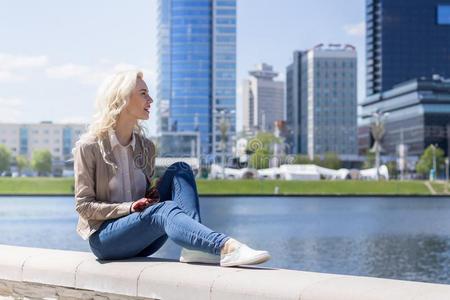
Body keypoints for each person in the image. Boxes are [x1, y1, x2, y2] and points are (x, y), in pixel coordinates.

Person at [73, 70, 271, 267]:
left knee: (181, 169)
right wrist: (130, 207)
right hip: (106, 241)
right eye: (143, 94)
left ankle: (194, 247)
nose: (150, 99)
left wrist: (150, 194)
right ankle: (225, 246)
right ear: (122, 98)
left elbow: (147, 196)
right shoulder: (89, 147)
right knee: (163, 210)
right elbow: (84, 206)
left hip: (143, 235)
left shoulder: (146, 147)